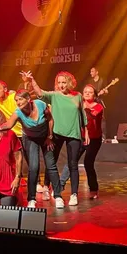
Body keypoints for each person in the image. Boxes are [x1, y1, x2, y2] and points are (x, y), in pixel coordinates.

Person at [23, 70, 89, 206]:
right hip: (57, 133)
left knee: (73, 164)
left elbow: (83, 115)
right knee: (51, 162)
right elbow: (40, 93)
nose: (61, 85)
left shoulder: (78, 96)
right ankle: (48, 187)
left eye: (64, 82)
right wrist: (31, 80)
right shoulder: (54, 95)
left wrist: (86, 132)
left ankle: (74, 194)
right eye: (59, 83)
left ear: (70, 83)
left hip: (74, 133)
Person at [0, 90, 64, 208]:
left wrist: (49, 136)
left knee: (51, 165)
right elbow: (8, 125)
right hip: (30, 138)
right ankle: (31, 199)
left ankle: (58, 196)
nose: (18, 102)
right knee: (33, 167)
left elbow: (50, 119)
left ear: (28, 99)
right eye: (16, 100)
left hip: (45, 137)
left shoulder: (40, 104)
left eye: (20, 99)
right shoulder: (18, 112)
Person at [59, 84, 103, 199]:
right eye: (85, 92)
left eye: (90, 92)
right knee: (71, 161)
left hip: (94, 139)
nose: (87, 93)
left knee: (88, 163)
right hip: (80, 137)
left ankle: (93, 189)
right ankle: (60, 184)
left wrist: (79, 106)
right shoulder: (78, 104)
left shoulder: (98, 106)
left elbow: (90, 115)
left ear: (95, 95)